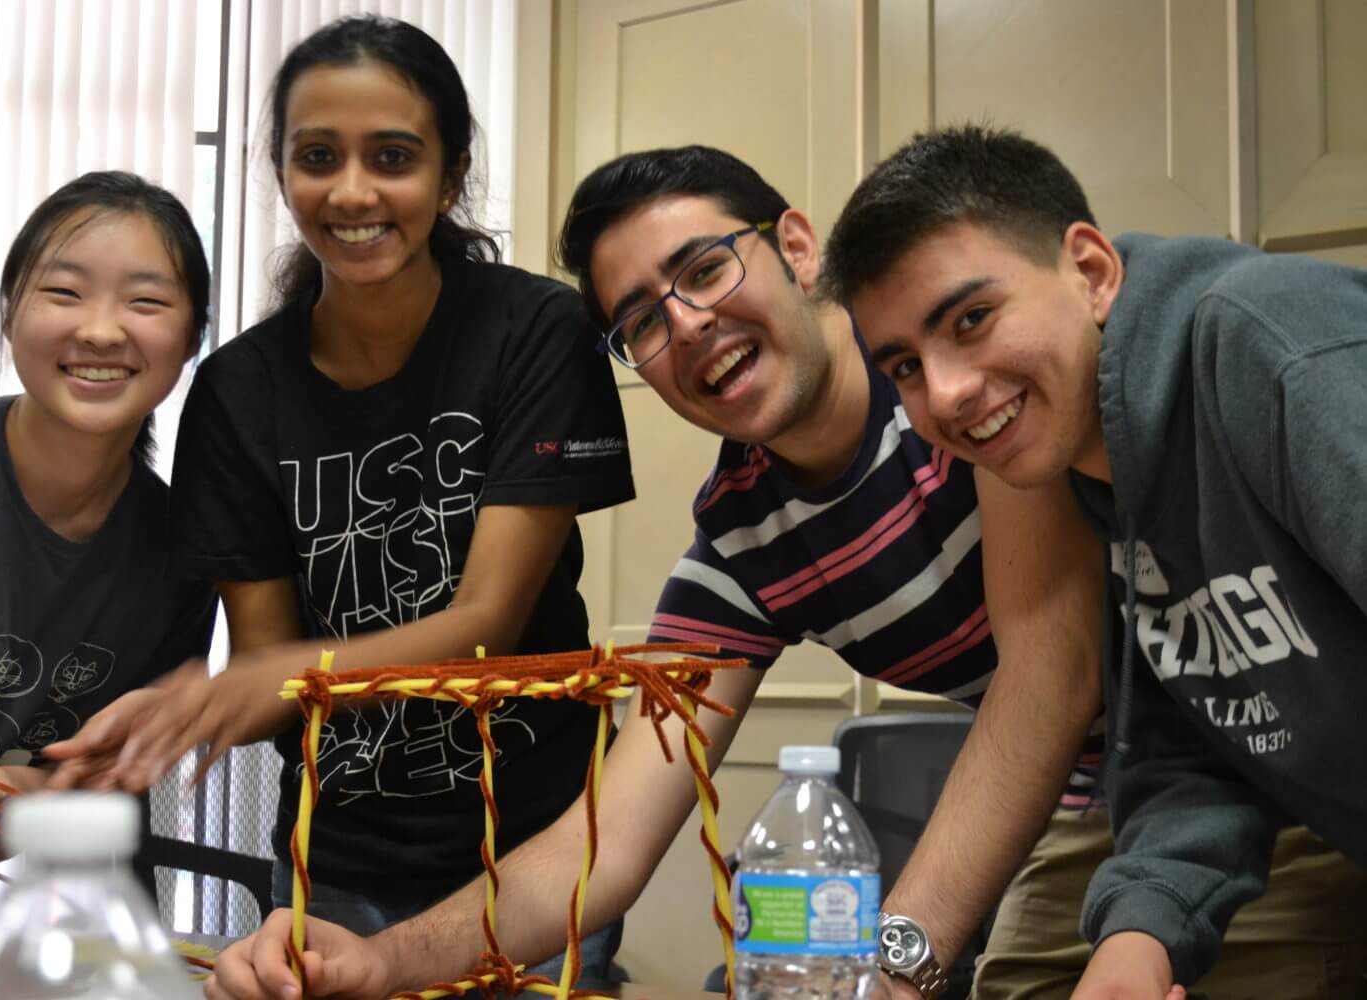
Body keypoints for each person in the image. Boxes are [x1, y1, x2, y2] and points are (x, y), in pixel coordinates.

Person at [197, 145, 1110, 1000]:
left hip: (1214, 764)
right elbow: (601, 847)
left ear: (796, 247)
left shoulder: (947, 382)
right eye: (641, 321)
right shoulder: (742, 544)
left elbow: (1049, 678)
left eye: (707, 269)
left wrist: (896, 966)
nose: (688, 323)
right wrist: (380, 960)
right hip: (1097, 808)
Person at [44, 15, 634, 985]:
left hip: (537, 843)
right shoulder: (239, 391)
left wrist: (252, 682)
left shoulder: (534, 329)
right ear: (283, 174)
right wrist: (183, 713)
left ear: (449, 176)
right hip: (337, 860)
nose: (353, 190)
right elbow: (275, 676)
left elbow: (487, 618)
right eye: (318, 156)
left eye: (392, 156)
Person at [823, 124, 1367, 998]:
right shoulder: (1100, 469)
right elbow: (1203, 753)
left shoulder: (1264, 345)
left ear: (1091, 272)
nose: (948, 393)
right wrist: (1141, 941)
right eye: (906, 367)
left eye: (972, 318)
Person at [0, 170, 217, 941]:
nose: (100, 330)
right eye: (65, 293)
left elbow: (104, 771)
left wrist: (35, 794)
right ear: (8, 314)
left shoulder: (178, 558)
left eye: (146, 301)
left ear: (191, 340)